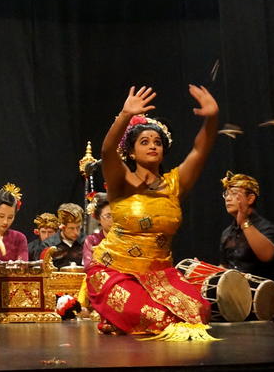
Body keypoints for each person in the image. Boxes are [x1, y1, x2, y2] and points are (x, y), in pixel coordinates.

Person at [87, 85, 218, 340]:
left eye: (157, 142)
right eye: (144, 142)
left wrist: (211, 119)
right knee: (154, 314)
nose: (152, 146)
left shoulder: (175, 184)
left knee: (199, 310)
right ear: (132, 151)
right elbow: (106, 152)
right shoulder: (121, 181)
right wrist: (125, 115)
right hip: (113, 271)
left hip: (160, 275)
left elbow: (200, 150)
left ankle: (118, 319)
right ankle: (114, 315)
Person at [220, 171, 274, 286]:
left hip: (265, 295)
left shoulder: (265, 228)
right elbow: (225, 267)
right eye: (226, 194)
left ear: (250, 199)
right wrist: (203, 268)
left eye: (234, 193)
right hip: (235, 292)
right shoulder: (227, 233)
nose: (228, 199)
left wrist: (244, 222)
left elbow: (267, 256)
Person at [38, 203, 85, 268]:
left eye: (78, 227)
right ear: (62, 227)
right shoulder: (48, 245)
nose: (76, 232)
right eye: (71, 228)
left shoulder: (86, 242)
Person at [82, 193, 113, 269]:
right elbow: (88, 266)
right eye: (108, 216)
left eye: (115, 215)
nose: (113, 220)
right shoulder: (92, 240)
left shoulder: (126, 238)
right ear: (98, 218)